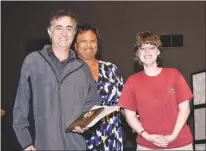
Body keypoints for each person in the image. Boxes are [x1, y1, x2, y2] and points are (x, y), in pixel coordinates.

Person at [12, 10, 100, 151]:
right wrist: (25, 142)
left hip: (76, 146)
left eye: (69, 28)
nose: (64, 33)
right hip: (41, 146)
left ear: (74, 33)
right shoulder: (33, 62)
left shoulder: (83, 68)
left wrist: (84, 123)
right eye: (58, 28)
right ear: (49, 32)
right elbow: (20, 106)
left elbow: (93, 102)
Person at [118, 31, 193, 150]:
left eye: (151, 47)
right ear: (138, 53)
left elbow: (185, 109)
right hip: (147, 146)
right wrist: (147, 136)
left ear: (158, 52)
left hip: (180, 144)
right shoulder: (132, 81)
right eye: (143, 48)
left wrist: (173, 136)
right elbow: (130, 116)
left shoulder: (174, 74)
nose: (147, 51)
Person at [73, 23, 124, 151]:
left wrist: (136, 121)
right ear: (75, 46)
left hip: (112, 136)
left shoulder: (111, 69)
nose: (88, 45)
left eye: (92, 41)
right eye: (83, 41)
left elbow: (124, 103)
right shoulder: (69, 72)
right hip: (82, 138)